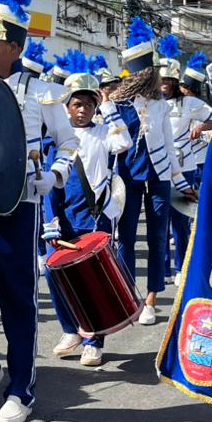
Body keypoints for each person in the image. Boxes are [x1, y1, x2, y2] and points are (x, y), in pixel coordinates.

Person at [0, 0, 78, 422]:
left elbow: (68, 143)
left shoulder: (44, 91)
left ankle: (21, 390)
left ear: (14, 47)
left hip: (20, 209)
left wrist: (55, 175)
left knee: (17, 302)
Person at [44, 50, 130, 367]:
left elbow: (124, 144)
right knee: (52, 272)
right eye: (77, 104)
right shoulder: (54, 137)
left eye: (88, 105)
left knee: (93, 280)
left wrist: (107, 105)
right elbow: (48, 181)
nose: (82, 110)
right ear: (67, 106)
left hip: (94, 217)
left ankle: (94, 341)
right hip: (62, 216)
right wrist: (50, 220)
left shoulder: (104, 133)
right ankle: (71, 329)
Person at [111, 19, 187, 326]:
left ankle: (151, 299)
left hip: (159, 177)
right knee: (126, 238)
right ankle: (128, 294)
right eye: (153, 72)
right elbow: (110, 144)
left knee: (157, 237)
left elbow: (169, 145)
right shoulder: (116, 104)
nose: (158, 77)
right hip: (128, 176)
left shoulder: (160, 105)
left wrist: (180, 180)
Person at [165, 52, 212, 283]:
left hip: (184, 165)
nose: (164, 84)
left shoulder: (189, 103)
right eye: (161, 79)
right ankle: (163, 270)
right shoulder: (151, 104)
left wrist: (200, 128)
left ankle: (181, 267)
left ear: (176, 82)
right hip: (158, 168)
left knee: (180, 221)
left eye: (169, 80)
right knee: (161, 223)